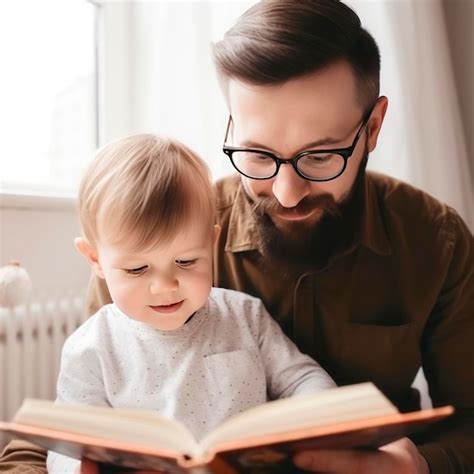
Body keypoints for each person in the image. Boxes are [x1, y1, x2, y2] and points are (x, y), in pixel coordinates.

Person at [1, 1, 473, 473]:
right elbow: (64, 437)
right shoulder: (152, 234)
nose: (287, 194)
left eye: (320, 156)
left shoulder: (435, 240)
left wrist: (421, 467)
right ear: (231, 126)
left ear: (372, 128)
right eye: (259, 154)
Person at [43, 134, 335, 472]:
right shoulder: (90, 348)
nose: (165, 286)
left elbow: (302, 379)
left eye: (186, 262)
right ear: (95, 260)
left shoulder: (245, 316)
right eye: (137, 269)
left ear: (210, 244)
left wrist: (321, 420)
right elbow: (68, 444)